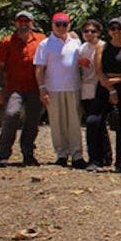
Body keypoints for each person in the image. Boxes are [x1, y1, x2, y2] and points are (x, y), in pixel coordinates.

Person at [0, 11, 46, 167]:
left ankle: (28, 154)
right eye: (20, 21)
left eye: (26, 21)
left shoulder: (41, 40)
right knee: (11, 114)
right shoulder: (7, 42)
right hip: (14, 88)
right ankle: (3, 153)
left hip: (35, 88)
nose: (23, 24)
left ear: (32, 23)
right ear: (15, 23)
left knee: (32, 121)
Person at [34, 12, 86, 169]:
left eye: (64, 24)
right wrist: (42, 89)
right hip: (53, 89)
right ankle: (61, 154)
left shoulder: (76, 42)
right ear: (52, 25)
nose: (61, 27)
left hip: (73, 87)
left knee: (74, 122)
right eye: (58, 24)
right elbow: (39, 69)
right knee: (57, 123)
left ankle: (77, 155)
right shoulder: (45, 44)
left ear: (69, 25)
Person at [87, 17, 121, 173]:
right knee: (93, 121)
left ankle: (119, 161)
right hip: (104, 87)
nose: (116, 31)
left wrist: (119, 80)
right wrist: (111, 89)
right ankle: (95, 159)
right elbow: (98, 71)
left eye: (119, 28)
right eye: (112, 28)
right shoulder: (101, 48)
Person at [78, 19, 104, 124]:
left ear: (98, 33)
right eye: (86, 31)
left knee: (95, 120)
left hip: (100, 87)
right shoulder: (82, 48)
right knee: (91, 118)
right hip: (86, 88)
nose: (89, 33)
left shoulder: (104, 47)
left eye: (93, 31)